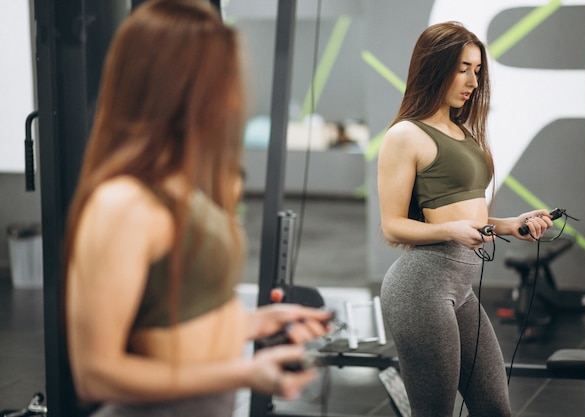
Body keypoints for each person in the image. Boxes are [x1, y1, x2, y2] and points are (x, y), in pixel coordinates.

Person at [63, 1, 333, 416]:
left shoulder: (184, 188)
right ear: (180, 86)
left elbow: (178, 327)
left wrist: (259, 322)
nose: (233, 96)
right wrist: (245, 374)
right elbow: (95, 373)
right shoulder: (124, 203)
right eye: (221, 78)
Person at [377, 21, 554, 417]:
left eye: (477, 70)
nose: (473, 80)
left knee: (494, 408)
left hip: (458, 289)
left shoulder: (461, 132)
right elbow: (392, 226)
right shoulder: (405, 135)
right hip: (420, 289)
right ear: (434, 66)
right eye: (462, 68)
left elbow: (466, 215)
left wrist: (510, 224)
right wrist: (448, 231)